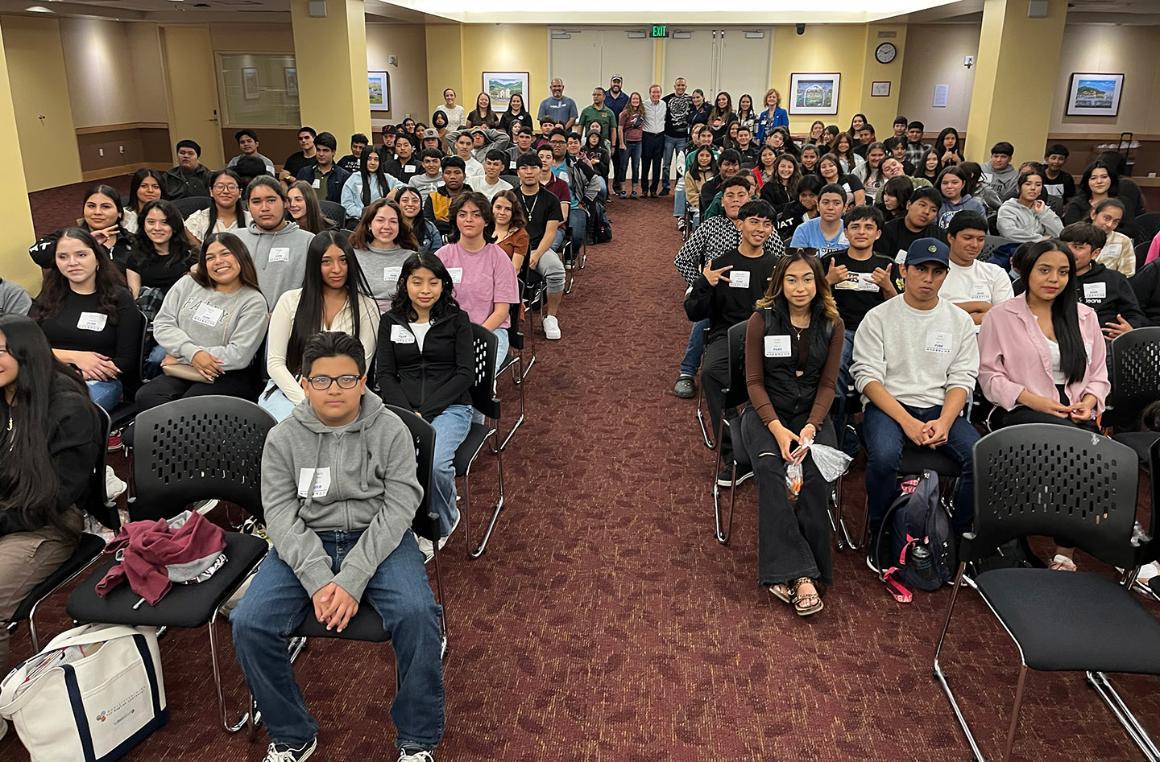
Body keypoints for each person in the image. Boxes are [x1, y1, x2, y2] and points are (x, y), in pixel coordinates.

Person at [232, 329, 443, 762]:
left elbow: (401, 507)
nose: (335, 389)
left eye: (347, 379)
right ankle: (291, 734)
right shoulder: (283, 438)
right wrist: (316, 579)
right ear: (304, 383)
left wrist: (350, 580)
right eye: (322, 380)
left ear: (363, 381)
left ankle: (418, 739)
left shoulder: (392, 430)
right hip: (307, 540)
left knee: (418, 615)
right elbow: (280, 515)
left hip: (380, 538)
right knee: (249, 623)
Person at [979, 239, 1108, 572]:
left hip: (1075, 410)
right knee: (1083, 453)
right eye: (1045, 270)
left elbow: (1098, 373)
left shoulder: (1084, 316)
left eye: (1063, 272)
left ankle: (1064, 551)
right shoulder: (1002, 316)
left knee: (1084, 450)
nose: (1054, 279)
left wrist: (1090, 401)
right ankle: (1037, 539)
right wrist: (1033, 399)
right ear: (1026, 271)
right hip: (1021, 408)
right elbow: (989, 377)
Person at [852, 237, 980, 534]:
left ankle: (958, 534)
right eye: (921, 269)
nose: (929, 279)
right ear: (904, 271)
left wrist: (946, 422)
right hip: (889, 407)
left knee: (980, 458)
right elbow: (867, 379)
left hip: (939, 407)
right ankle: (882, 530)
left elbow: (962, 378)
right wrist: (907, 421)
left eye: (937, 272)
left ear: (946, 276)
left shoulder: (958, 320)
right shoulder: (879, 317)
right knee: (883, 458)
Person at [0, 314, 104, 673]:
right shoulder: (4, 398)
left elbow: (56, 496)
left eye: (1, 351)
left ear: (27, 353)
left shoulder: (67, 408)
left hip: (46, 522)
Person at [741, 251, 843, 615]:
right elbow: (753, 383)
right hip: (766, 414)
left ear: (819, 283)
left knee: (816, 477)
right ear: (779, 283)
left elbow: (829, 385)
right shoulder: (761, 320)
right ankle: (799, 575)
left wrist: (811, 428)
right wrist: (779, 430)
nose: (800, 288)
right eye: (792, 280)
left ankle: (799, 570)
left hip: (813, 416)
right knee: (770, 471)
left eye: (808, 280)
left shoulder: (832, 322)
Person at [377, 252, 473, 553]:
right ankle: (399, 519)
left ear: (444, 284)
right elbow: (386, 374)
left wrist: (426, 412)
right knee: (381, 464)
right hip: (402, 409)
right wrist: (408, 413)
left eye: (433, 282)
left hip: (451, 407)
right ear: (405, 284)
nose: (425, 289)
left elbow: (465, 374)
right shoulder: (390, 321)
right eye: (417, 282)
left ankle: (444, 521)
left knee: (436, 466)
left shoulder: (457, 320)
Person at [684, 200, 782, 482]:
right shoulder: (720, 264)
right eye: (754, 222)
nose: (760, 229)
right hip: (725, 336)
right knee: (712, 372)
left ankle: (767, 445)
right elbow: (694, 312)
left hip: (767, 337)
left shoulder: (777, 267)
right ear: (740, 224)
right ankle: (731, 453)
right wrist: (705, 283)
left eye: (766, 224)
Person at [673, 176, 786, 398]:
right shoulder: (711, 225)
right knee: (706, 314)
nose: (735, 200)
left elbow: (781, 265)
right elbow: (682, 259)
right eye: (730, 196)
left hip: (756, 292)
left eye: (741, 195)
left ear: (750, 197)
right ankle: (687, 371)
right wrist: (701, 281)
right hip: (715, 288)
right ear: (722, 201)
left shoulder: (763, 228)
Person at [138, 232, 268, 411]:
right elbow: (163, 322)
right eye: (210, 257)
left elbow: (239, 354)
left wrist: (185, 357)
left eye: (225, 253)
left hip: (227, 373)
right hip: (183, 367)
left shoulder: (253, 301)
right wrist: (191, 353)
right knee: (147, 396)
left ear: (241, 256)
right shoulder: (188, 284)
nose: (218, 261)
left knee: (192, 406)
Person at [262, 231, 379, 421]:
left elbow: (361, 365)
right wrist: (307, 401)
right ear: (314, 265)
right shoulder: (290, 301)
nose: (337, 269)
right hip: (290, 390)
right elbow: (275, 363)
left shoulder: (366, 307)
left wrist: (330, 398)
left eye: (343, 260)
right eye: (326, 262)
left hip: (344, 393)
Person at [31, 228, 139, 412]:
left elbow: (126, 361)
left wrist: (79, 374)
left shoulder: (120, 298)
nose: (72, 263)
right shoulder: (50, 294)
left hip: (100, 381)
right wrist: (75, 357)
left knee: (60, 413)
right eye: (63, 257)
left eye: (81, 255)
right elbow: (26, 345)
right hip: (48, 374)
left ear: (97, 258)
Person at [825, 206, 900, 448]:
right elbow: (809, 300)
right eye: (855, 227)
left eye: (868, 227)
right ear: (845, 232)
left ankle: (877, 433)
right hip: (839, 329)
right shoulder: (830, 262)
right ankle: (837, 435)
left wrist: (888, 286)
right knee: (834, 366)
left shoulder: (887, 265)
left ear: (878, 234)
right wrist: (828, 281)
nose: (861, 232)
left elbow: (901, 308)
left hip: (879, 334)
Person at [436, 192, 519, 365]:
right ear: (455, 219)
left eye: (476, 214)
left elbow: (501, 312)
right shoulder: (441, 257)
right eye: (462, 214)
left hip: (490, 331)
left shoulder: (499, 258)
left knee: (473, 375)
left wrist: (472, 337)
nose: (468, 220)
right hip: (448, 332)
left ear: (487, 220)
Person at [1050, 222, 1145, 340]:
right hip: (1057, 339)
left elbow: (1134, 314)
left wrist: (1130, 328)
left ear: (1095, 253)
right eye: (1064, 246)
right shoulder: (1048, 277)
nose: (1069, 252)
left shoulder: (1114, 279)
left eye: (1078, 247)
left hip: (1104, 340)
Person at [235, 177, 315, 310]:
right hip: (241, 322)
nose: (264, 208)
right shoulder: (235, 239)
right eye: (256, 202)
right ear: (248, 206)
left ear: (285, 203)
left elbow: (314, 292)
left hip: (290, 322)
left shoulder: (308, 241)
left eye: (271, 200)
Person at [514, 153, 566, 338]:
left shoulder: (550, 199)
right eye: (524, 168)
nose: (529, 172)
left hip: (539, 248)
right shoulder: (509, 197)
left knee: (556, 271)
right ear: (517, 171)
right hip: (512, 248)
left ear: (541, 169)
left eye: (533, 168)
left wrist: (535, 255)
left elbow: (551, 232)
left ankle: (551, 316)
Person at [30, 185, 136, 273]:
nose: (97, 212)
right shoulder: (67, 236)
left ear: (119, 213)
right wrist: (81, 242)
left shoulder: (132, 240)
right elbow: (37, 255)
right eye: (91, 206)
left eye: (105, 207)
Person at [939, 211, 1014, 327]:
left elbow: (1005, 318)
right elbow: (929, 315)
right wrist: (981, 307)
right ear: (950, 238)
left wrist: (955, 315)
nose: (974, 245)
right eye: (968, 238)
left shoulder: (996, 273)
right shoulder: (934, 272)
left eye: (980, 239)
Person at [351, 198, 420, 312]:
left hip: (400, 316)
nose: (387, 226)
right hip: (362, 315)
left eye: (393, 221)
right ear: (369, 224)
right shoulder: (353, 255)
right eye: (380, 220)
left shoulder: (411, 257)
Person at [127, 199, 198, 300]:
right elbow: (135, 297)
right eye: (151, 222)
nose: (157, 228)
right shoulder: (134, 258)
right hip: (150, 310)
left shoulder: (190, 255)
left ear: (174, 226)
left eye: (164, 222)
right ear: (143, 225)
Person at [1064, 160, 1145, 242]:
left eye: (1104, 177)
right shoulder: (1076, 204)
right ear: (1087, 181)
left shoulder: (1123, 202)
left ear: (1111, 179)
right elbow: (1071, 232)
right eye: (1093, 178)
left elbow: (1131, 231)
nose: (1099, 181)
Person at [185, 169, 250, 246]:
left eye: (231, 187)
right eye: (220, 186)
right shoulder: (197, 221)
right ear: (211, 191)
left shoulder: (252, 220)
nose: (225, 191)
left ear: (240, 193)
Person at [997, 169, 1064, 242]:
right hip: (1016, 249)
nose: (1033, 188)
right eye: (1028, 184)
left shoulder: (1043, 208)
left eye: (1038, 185)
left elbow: (1059, 233)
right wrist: (1041, 239)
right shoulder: (1007, 209)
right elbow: (1009, 233)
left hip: (1042, 249)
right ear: (1018, 188)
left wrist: (1043, 214)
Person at [876, 186, 940, 260]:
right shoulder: (887, 231)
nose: (926, 212)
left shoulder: (938, 236)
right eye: (922, 205)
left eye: (933, 210)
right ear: (909, 205)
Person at [342, 146, 398, 225]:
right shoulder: (354, 179)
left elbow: (405, 187)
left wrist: (396, 190)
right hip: (359, 221)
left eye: (376, 159)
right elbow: (347, 205)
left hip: (382, 221)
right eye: (369, 159)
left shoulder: (386, 178)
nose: (372, 162)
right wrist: (366, 213)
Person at [790, 183, 849, 254]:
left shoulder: (851, 230)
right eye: (825, 202)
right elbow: (796, 262)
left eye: (836, 203)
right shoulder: (803, 230)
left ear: (845, 207)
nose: (830, 207)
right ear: (818, 206)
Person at [1085, 198, 1137, 277]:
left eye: (1115, 222)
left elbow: (1127, 273)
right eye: (1106, 218)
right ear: (1093, 215)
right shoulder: (1076, 236)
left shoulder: (1123, 241)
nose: (1110, 224)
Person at [296, 132, 350, 205]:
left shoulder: (343, 176)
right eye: (318, 150)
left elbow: (345, 203)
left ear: (333, 152)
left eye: (325, 150)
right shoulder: (304, 172)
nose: (321, 154)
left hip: (332, 214)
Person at [423, 156, 471, 236]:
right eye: (448, 173)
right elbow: (428, 225)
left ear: (464, 175)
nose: (452, 177)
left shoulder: (473, 198)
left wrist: (442, 223)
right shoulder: (433, 197)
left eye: (457, 172)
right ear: (442, 176)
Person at [661, 78, 693, 197]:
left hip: (683, 138)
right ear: (674, 86)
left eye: (683, 85)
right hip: (668, 136)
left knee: (681, 164)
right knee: (666, 164)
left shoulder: (690, 100)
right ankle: (665, 186)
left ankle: (679, 187)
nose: (680, 87)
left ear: (686, 86)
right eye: (678, 85)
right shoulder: (666, 100)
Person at [393, 186, 442, 256]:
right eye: (405, 200)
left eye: (415, 201)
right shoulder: (390, 226)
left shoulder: (429, 227)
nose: (410, 204)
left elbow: (437, 254)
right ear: (397, 204)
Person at [936, 165, 987, 231]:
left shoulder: (976, 206)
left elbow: (984, 232)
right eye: (945, 183)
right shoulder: (936, 204)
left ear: (963, 183)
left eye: (954, 183)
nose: (949, 186)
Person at [775, 175, 823, 244]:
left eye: (811, 195)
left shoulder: (824, 211)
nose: (807, 199)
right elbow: (781, 230)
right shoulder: (791, 208)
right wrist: (801, 209)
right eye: (803, 195)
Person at [640, 85, 667, 198]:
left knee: (657, 165)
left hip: (660, 137)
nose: (656, 94)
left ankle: (654, 190)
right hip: (647, 137)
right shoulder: (644, 105)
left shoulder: (664, 104)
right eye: (653, 92)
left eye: (658, 92)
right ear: (649, 93)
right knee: (645, 165)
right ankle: (644, 189)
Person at [617, 92, 645, 199]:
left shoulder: (642, 112)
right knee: (623, 166)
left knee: (636, 166)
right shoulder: (625, 113)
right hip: (627, 143)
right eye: (633, 99)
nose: (635, 101)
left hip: (638, 143)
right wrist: (621, 143)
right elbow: (620, 128)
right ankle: (623, 189)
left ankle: (634, 190)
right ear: (630, 100)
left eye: (637, 99)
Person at [121, 168, 166, 234]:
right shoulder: (124, 215)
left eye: (155, 187)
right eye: (144, 186)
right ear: (135, 188)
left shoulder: (171, 213)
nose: (150, 190)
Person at [491, 190, 529, 266]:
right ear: (492, 208)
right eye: (498, 207)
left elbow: (515, 269)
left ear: (514, 212)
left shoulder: (520, 235)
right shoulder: (482, 228)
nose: (502, 212)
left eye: (507, 209)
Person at [979, 141, 1019, 211]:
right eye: (996, 156)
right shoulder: (980, 169)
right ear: (991, 156)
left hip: (999, 210)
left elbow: (1008, 200)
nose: (998, 160)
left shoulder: (1014, 177)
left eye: (1003, 157)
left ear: (1010, 159)